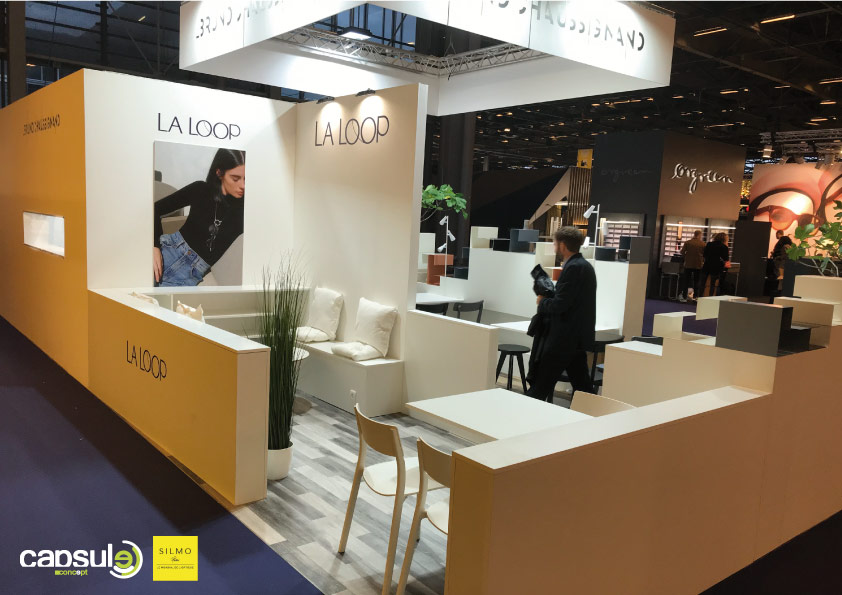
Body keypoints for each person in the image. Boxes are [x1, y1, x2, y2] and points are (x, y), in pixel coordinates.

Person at [153, 149, 245, 286]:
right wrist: (154, 246)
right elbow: (155, 208)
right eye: (235, 179)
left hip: (190, 273)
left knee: (151, 299)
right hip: (167, 249)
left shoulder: (244, 212)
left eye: (246, 179)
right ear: (219, 173)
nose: (243, 185)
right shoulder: (200, 189)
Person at [526, 226, 596, 402]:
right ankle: (593, 414)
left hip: (564, 338)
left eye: (555, 243)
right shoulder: (584, 266)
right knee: (583, 388)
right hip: (576, 337)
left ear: (563, 245)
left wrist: (542, 301)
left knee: (540, 386)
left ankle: (521, 415)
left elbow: (560, 305)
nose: (555, 247)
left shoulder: (574, 268)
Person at [697, 232, 730, 297]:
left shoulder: (709, 244)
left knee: (702, 283)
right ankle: (711, 297)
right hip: (716, 267)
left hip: (707, 266)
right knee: (713, 284)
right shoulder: (724, 247)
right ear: (725, 239)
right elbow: (726, 259)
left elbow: (704, 255)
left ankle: (699, 297)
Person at [679, 230, 705, 303]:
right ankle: (695, 297)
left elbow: (682, 252)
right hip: (698, 265)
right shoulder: (703, 244)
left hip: (688, 264)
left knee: (686, 281)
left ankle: (684, 297)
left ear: (694, 234)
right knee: (697, 281)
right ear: (699, 235)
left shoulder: (688, 242)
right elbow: (705, 254)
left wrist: (686, 257)